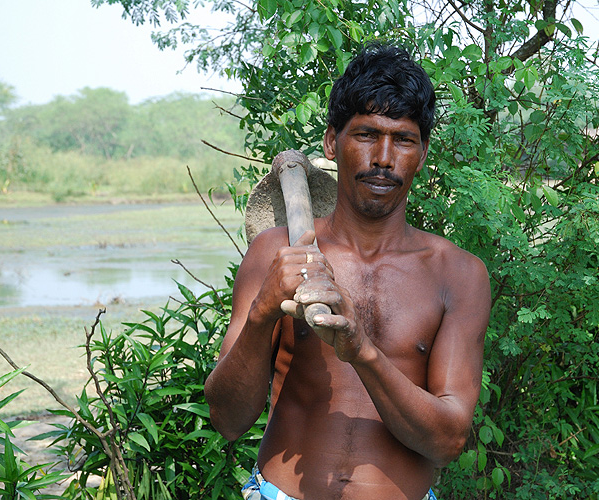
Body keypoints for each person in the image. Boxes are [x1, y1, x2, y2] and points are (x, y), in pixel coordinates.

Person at [204, 43, 491, 500]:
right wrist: (263, 312)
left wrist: (362, 351)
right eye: (366, 134)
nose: (383, 156)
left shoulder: (457, 274)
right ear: (330, 142)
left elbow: (448, 442)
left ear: (422, 152)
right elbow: (227, 419)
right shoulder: (275, 253)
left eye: (403, 139)